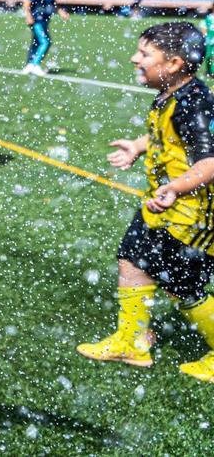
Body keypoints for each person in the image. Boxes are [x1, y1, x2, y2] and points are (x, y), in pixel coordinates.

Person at [77, 22, 214, 383]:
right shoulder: (174, 94)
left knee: (183, 288)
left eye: (144, 54)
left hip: (191, 216)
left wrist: (176, 189)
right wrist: (139, 146)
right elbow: (167, 137)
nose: (134, 58)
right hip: (166, 206)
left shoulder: (194, 103)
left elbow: (210, 162)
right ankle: (132, 340)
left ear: (172, 63)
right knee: (132, 257)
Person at [21, 0, 68, 76]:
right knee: (45, 42)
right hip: (36, 20)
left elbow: (54, 5)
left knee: (36, 43)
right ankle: (35, 65)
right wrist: (28, 15)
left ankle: (29, 65)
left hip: (45, 21)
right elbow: (27, 3)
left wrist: (61, 12)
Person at [197, 2, 214, 77]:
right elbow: (204, 29)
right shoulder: (208, 18)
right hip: (209, 41)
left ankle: (212, 72)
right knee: (208, 57)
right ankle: (209, 71)